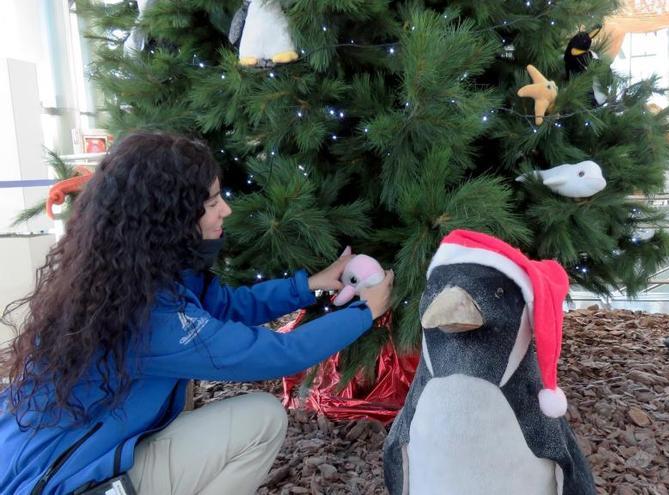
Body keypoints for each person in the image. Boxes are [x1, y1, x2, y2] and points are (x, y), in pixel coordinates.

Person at [0, 131, 394, 494]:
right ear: (170, 216)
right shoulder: (148, 316)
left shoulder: (124, 275)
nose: (226, 211)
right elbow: (278, 354)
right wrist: (364, 313)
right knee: (262, 419)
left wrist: (309, 285)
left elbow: (226, 307)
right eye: (211, 202)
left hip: (53, 459)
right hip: (63, 484)